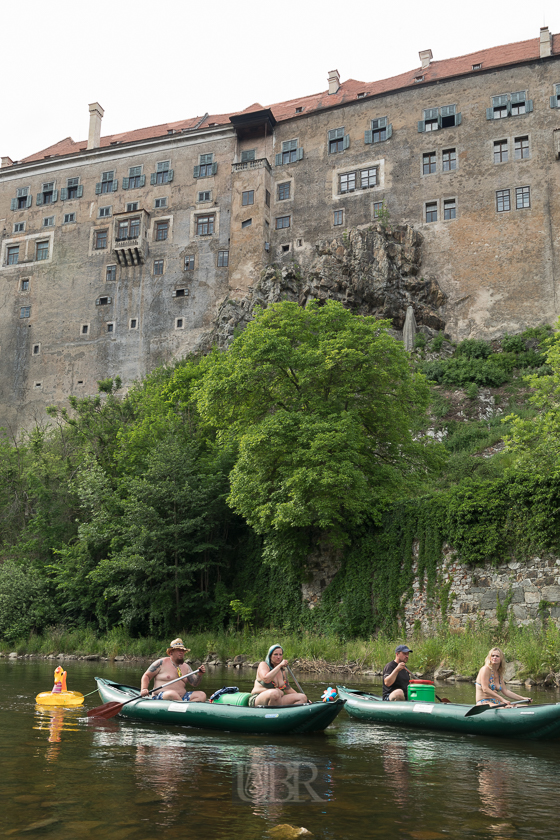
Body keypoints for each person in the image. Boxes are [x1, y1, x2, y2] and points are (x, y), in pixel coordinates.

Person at [140, 638, 206, 702]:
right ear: (171, 652)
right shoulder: (160, 663)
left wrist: (199, 675)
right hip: (162, 697)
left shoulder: (186, 667)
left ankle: (185, 708)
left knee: (202, 695)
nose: (181, 652)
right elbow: (146, 676)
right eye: (178, 650)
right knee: (172, 694)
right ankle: (184, 707)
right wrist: (144, 689)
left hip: (182, 697)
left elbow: (195, 684)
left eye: (182, 650)